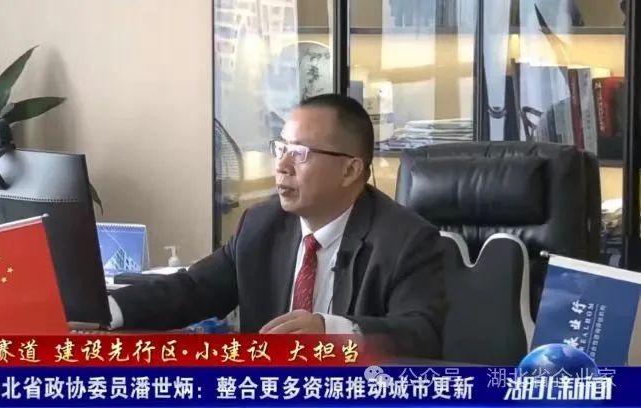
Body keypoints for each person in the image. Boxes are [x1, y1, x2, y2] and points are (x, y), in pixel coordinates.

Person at [110, 94, 446, 358]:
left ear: (350, 170)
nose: (282, 166)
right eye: (281, 148)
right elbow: (193, 289)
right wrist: (107, 309)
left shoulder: (407, 241)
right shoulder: (261, 225)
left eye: (300, 153)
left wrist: (331, 332)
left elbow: (421, 335)